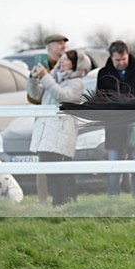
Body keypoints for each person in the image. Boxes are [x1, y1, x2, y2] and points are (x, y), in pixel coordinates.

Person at [27, 49, 89, 206]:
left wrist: (45, 76)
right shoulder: (53, 78)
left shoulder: (77, 82)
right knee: (49, 171)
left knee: (61, 173)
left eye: (67, 59)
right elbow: (35, 95)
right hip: (46, 133)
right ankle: (57, 203)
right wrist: (33, 79)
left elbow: (63, 96)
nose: (62, 61)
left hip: (62, 133)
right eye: (62, 58)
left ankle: (65, 203)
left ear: (75, 65)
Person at [96, 40, 135, 197]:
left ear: (128, 55)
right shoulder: (103, 74)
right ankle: (113, 197)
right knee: (113, 165)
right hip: (114, 125)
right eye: (117, 60)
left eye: (123, 59)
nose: (121, 63)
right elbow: (100, 98)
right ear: (111, 58)